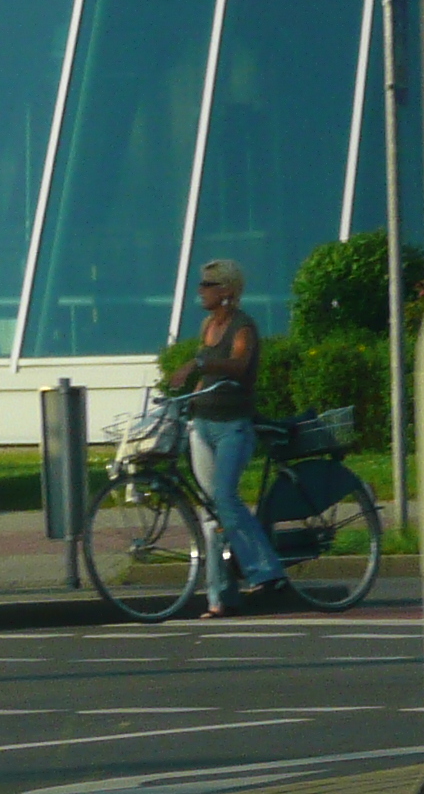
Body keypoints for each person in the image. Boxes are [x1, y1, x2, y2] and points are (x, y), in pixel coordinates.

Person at [168, 257, 291, 614]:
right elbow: (209, 373)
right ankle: (220, 597)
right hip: (203, 423)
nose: (200, 291)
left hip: (232, 425)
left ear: (226, 291)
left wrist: (200, 364)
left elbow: (238, 365)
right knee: (209, 512)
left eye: (207, 285)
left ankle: (267, 571)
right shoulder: (209, 325)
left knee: (225, 497)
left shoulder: (243, 327)